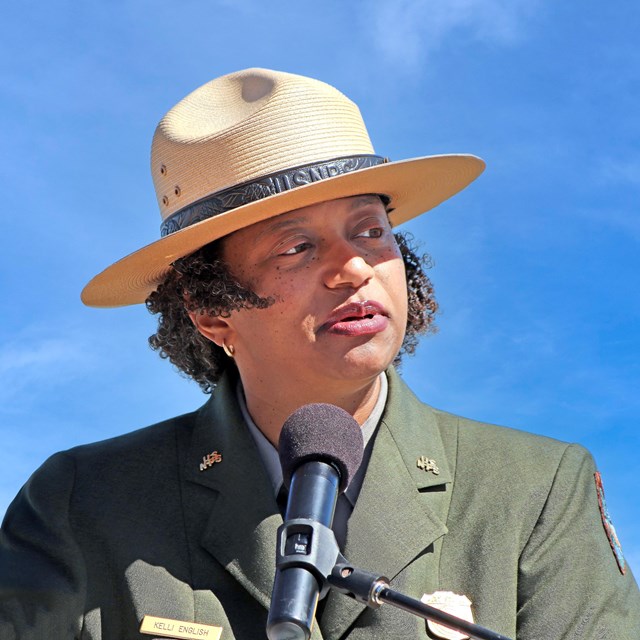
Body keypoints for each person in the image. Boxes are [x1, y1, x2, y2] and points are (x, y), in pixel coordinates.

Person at [1, 68, 638, 640]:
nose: (354, 267)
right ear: (208, 308)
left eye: (370, 231)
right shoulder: (84, 502)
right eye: (295, 247)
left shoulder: (537, 490)